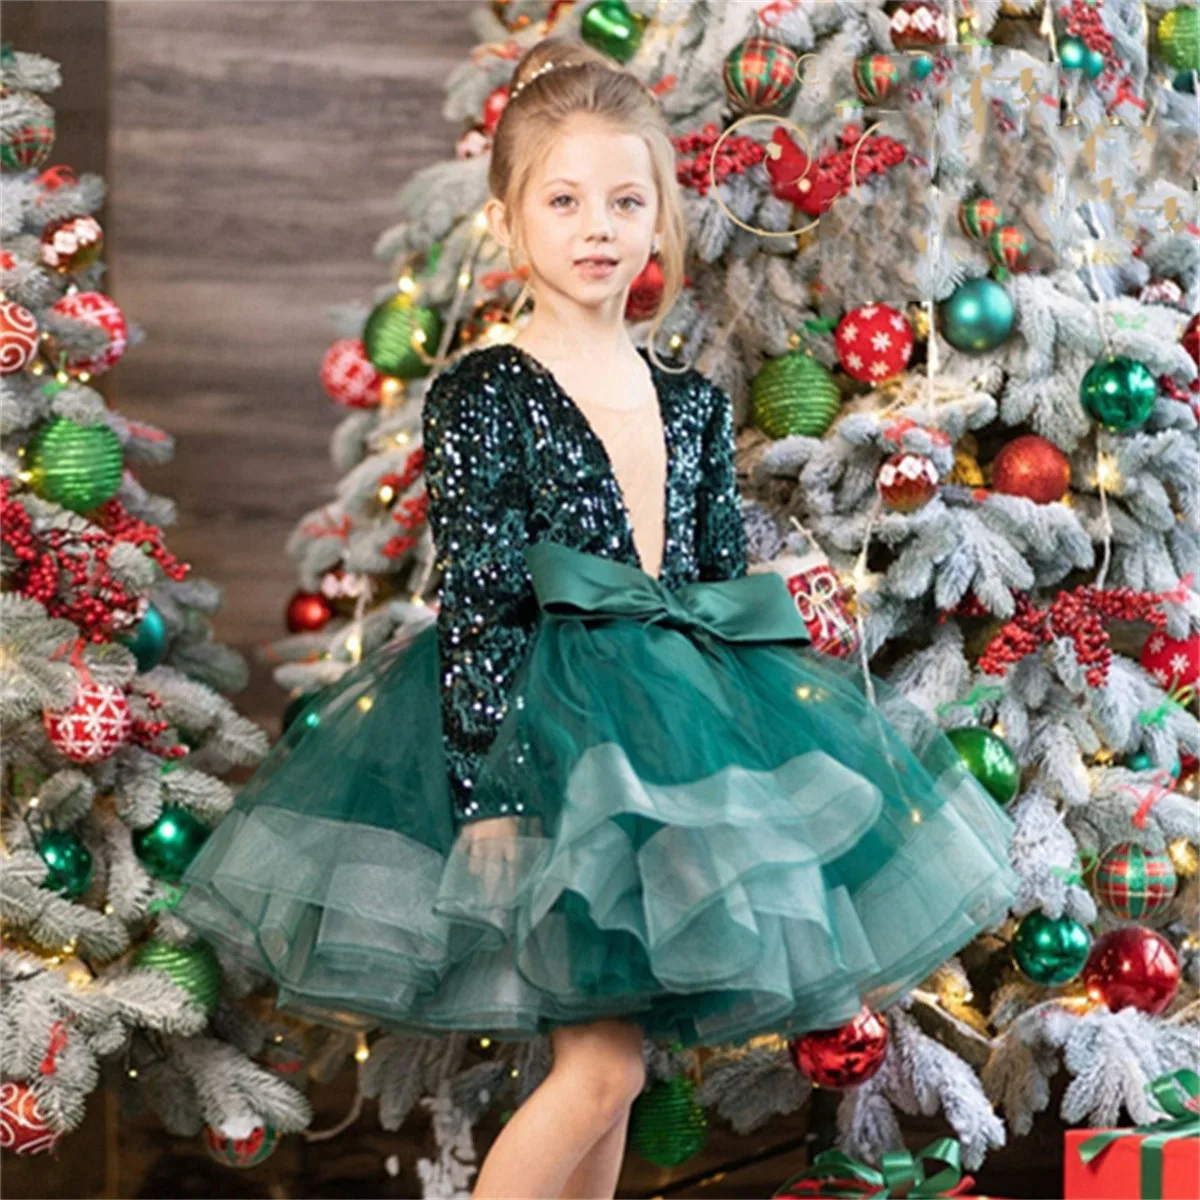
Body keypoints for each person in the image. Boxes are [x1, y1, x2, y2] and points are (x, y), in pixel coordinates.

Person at [173, 37, 1021, 1199]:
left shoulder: (688, 402)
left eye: (627, 200)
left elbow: (714, 585)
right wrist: (488, 796)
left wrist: (760, 738)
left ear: (661, 219)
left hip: (675, 735)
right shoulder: (487, 387)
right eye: (563, 200)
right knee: (603, 1066)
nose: (597, 227)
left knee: (615, 1061)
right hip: (542, 733)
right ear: (511, 220)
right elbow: (480, 589)